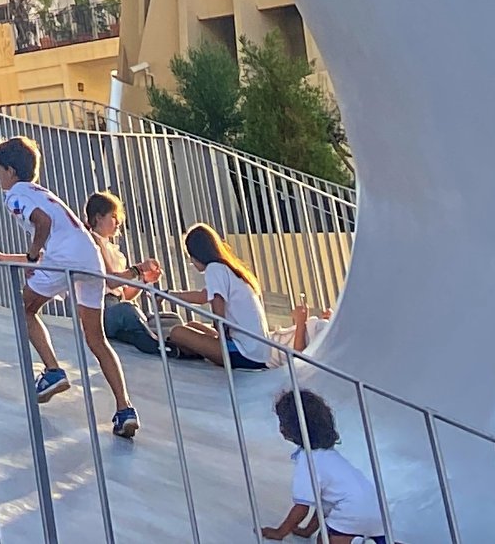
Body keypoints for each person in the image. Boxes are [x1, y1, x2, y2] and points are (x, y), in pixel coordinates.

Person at [0, 134, 136, 440]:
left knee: (23, 308)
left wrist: (29, 260)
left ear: (11, 171)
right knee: (96, 338)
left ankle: (53, 370)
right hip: (87, 257)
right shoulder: (43, 192)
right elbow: (54, 240)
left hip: (65, 258)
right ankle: (125, 409)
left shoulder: (15, 194)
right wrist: (11, 257)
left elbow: (42, 225)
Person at [261, 389, 385, 540]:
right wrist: (307, 531)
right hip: (377, 513)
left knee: (324, 539)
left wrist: (280, 532)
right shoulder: (330, 455)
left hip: (351, 513)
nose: (281, 428)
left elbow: (302, 507)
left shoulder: (308, 460)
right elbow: (324, 505)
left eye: (283, 423)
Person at [177, 223, 278, 368]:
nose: (191, 262)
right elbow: (202, 296)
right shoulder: (228, 270)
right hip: (258, 353)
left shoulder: (214, 269)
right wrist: (170, 294)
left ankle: (192, 351)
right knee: (193, 326)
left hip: (243, 353)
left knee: (178, 332)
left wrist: (220, 332)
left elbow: (218, 307)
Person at [81, 192, 169, 355]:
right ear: (99, 217)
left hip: (116, 305)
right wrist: (138, 269)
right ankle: (159, 346)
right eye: (113, 216)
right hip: (99, 310)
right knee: (128, 311)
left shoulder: (114, 251)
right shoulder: (92, 243)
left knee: (166, 320)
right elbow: (110, 281)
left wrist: (143, 280)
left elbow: (124, 294)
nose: (118, 222)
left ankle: (161, 342)